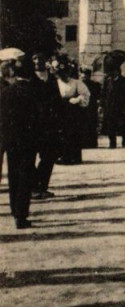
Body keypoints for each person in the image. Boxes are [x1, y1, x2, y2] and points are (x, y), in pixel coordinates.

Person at [0, 57, 36, 228]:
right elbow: (39, 119)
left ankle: (15, 212)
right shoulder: (34, 92)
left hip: (10, 140)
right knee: (26, 177)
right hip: (28, 140)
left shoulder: (6, 92)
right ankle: (21, 215)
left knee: (13, 176)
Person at [29, 50, 63, 197]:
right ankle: (33, 187)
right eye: (35, 60)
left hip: (50, 124)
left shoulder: (52, 78)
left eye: (40, 59)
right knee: (29, 157)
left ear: (45, 61)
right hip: (33, 124)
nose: (38, 62)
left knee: (49, 156)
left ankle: (42, 186)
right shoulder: (30, 79)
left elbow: (57, 98)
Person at [55, 55, 91, 165]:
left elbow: (85, 94)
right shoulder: (56, 83)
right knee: (61, 134)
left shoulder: (76, 83)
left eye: (65, 73)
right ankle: (63, 156)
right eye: (61, 74)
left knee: (73, 133)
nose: (63, 76)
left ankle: (75, 157)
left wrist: (77, 99)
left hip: (73, 111)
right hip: (59, 110)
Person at [102, 58, 125, 148]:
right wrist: (101, 105)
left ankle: (123, 137)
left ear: (117, 72)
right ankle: (112, 143)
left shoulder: (124, 80)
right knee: (110, 124)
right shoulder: (107, 80)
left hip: (120, 105)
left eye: (113, 72)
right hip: (109, 105)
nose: (111, 74)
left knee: (121, 124)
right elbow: (103, 93)